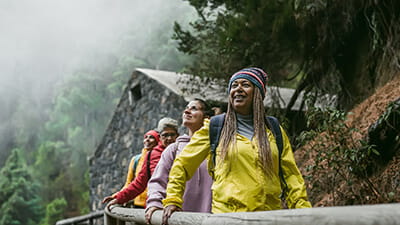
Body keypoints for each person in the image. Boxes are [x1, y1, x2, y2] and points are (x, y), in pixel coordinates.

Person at [162, 67, 311, 223]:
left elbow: (291, 177)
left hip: (269, 218)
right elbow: (182, 164)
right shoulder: (216, 127)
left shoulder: (273, 129)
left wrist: (304, 212)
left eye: (245, 85)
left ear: (258, 93)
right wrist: (173, 199)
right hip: (228, 219)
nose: (238, 89)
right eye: (234, 86)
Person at [145, 99, 214, 224]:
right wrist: (155, 203)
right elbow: (158, 181)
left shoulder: (217, 147)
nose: (187, 111)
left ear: (206, 117)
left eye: (194, 108)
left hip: (212, 218)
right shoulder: (174, 149)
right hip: (178, 218)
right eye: (186, 108)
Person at [102, 117, 179, 210]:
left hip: (179, 204)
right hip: (156, 206)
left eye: (172, 135)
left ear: (177, 135)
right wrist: (119, 198)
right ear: (160, 137)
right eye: (165, 135)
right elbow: (139, 183)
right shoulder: (151, 155)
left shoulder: (183, 151)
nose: (169, 138)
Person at [111, 130, 159, 208]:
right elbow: (129, 183)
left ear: (157, 141)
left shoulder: (161, 157)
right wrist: (118, 196)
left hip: (155, 203)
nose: (147, 139)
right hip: (138, 204)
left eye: (151, 137)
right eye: (146, 137)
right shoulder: (136, 160)